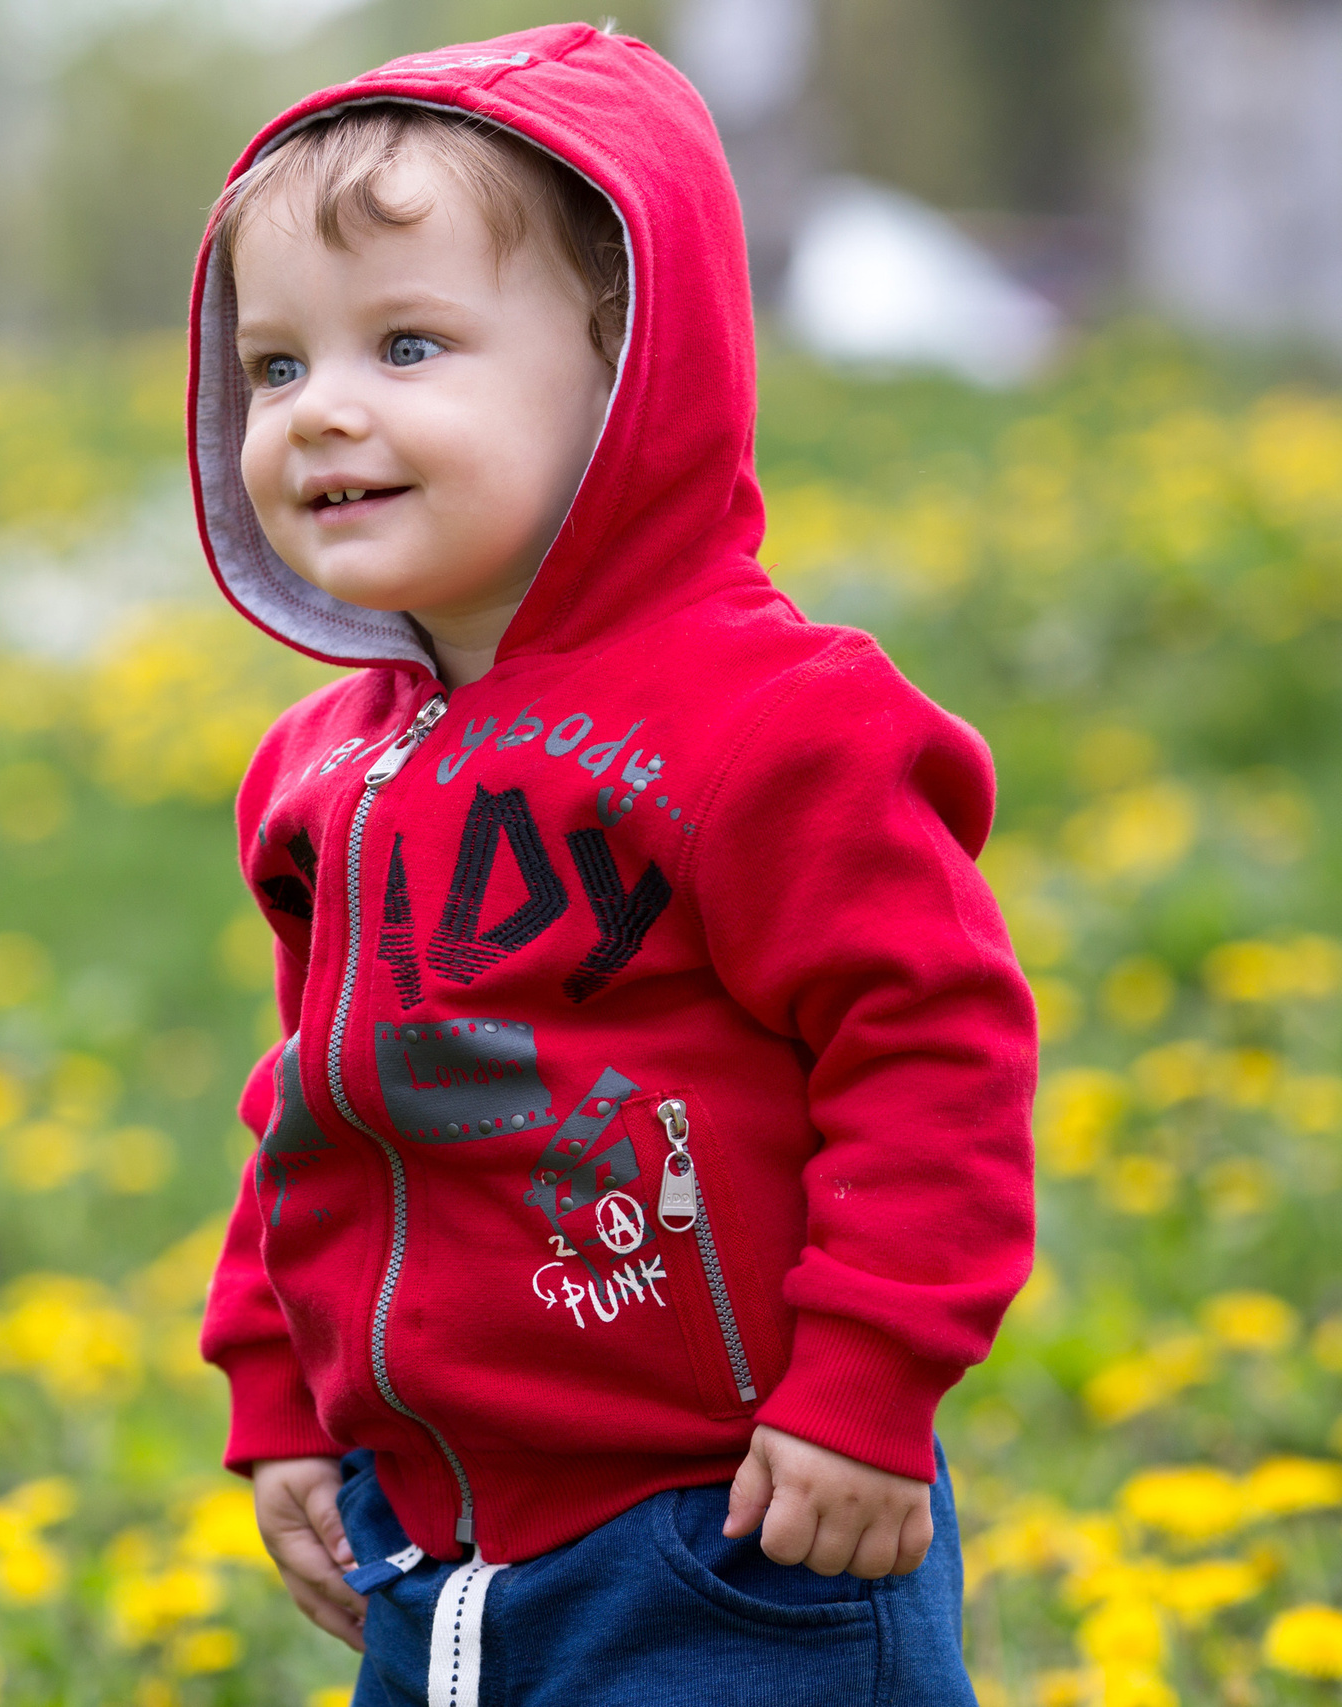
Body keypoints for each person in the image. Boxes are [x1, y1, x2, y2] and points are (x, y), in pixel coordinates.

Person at [188, 23, 1037, 1706]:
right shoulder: (321, 772)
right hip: (429, 1549)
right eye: (275, 366)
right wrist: (278, 1390)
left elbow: (933, 1050)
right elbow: (315, 1101)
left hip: (737, 1534)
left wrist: (865, 1388)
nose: (321, 411)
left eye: (408, 344)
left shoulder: (778, 723)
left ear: (629, 362)